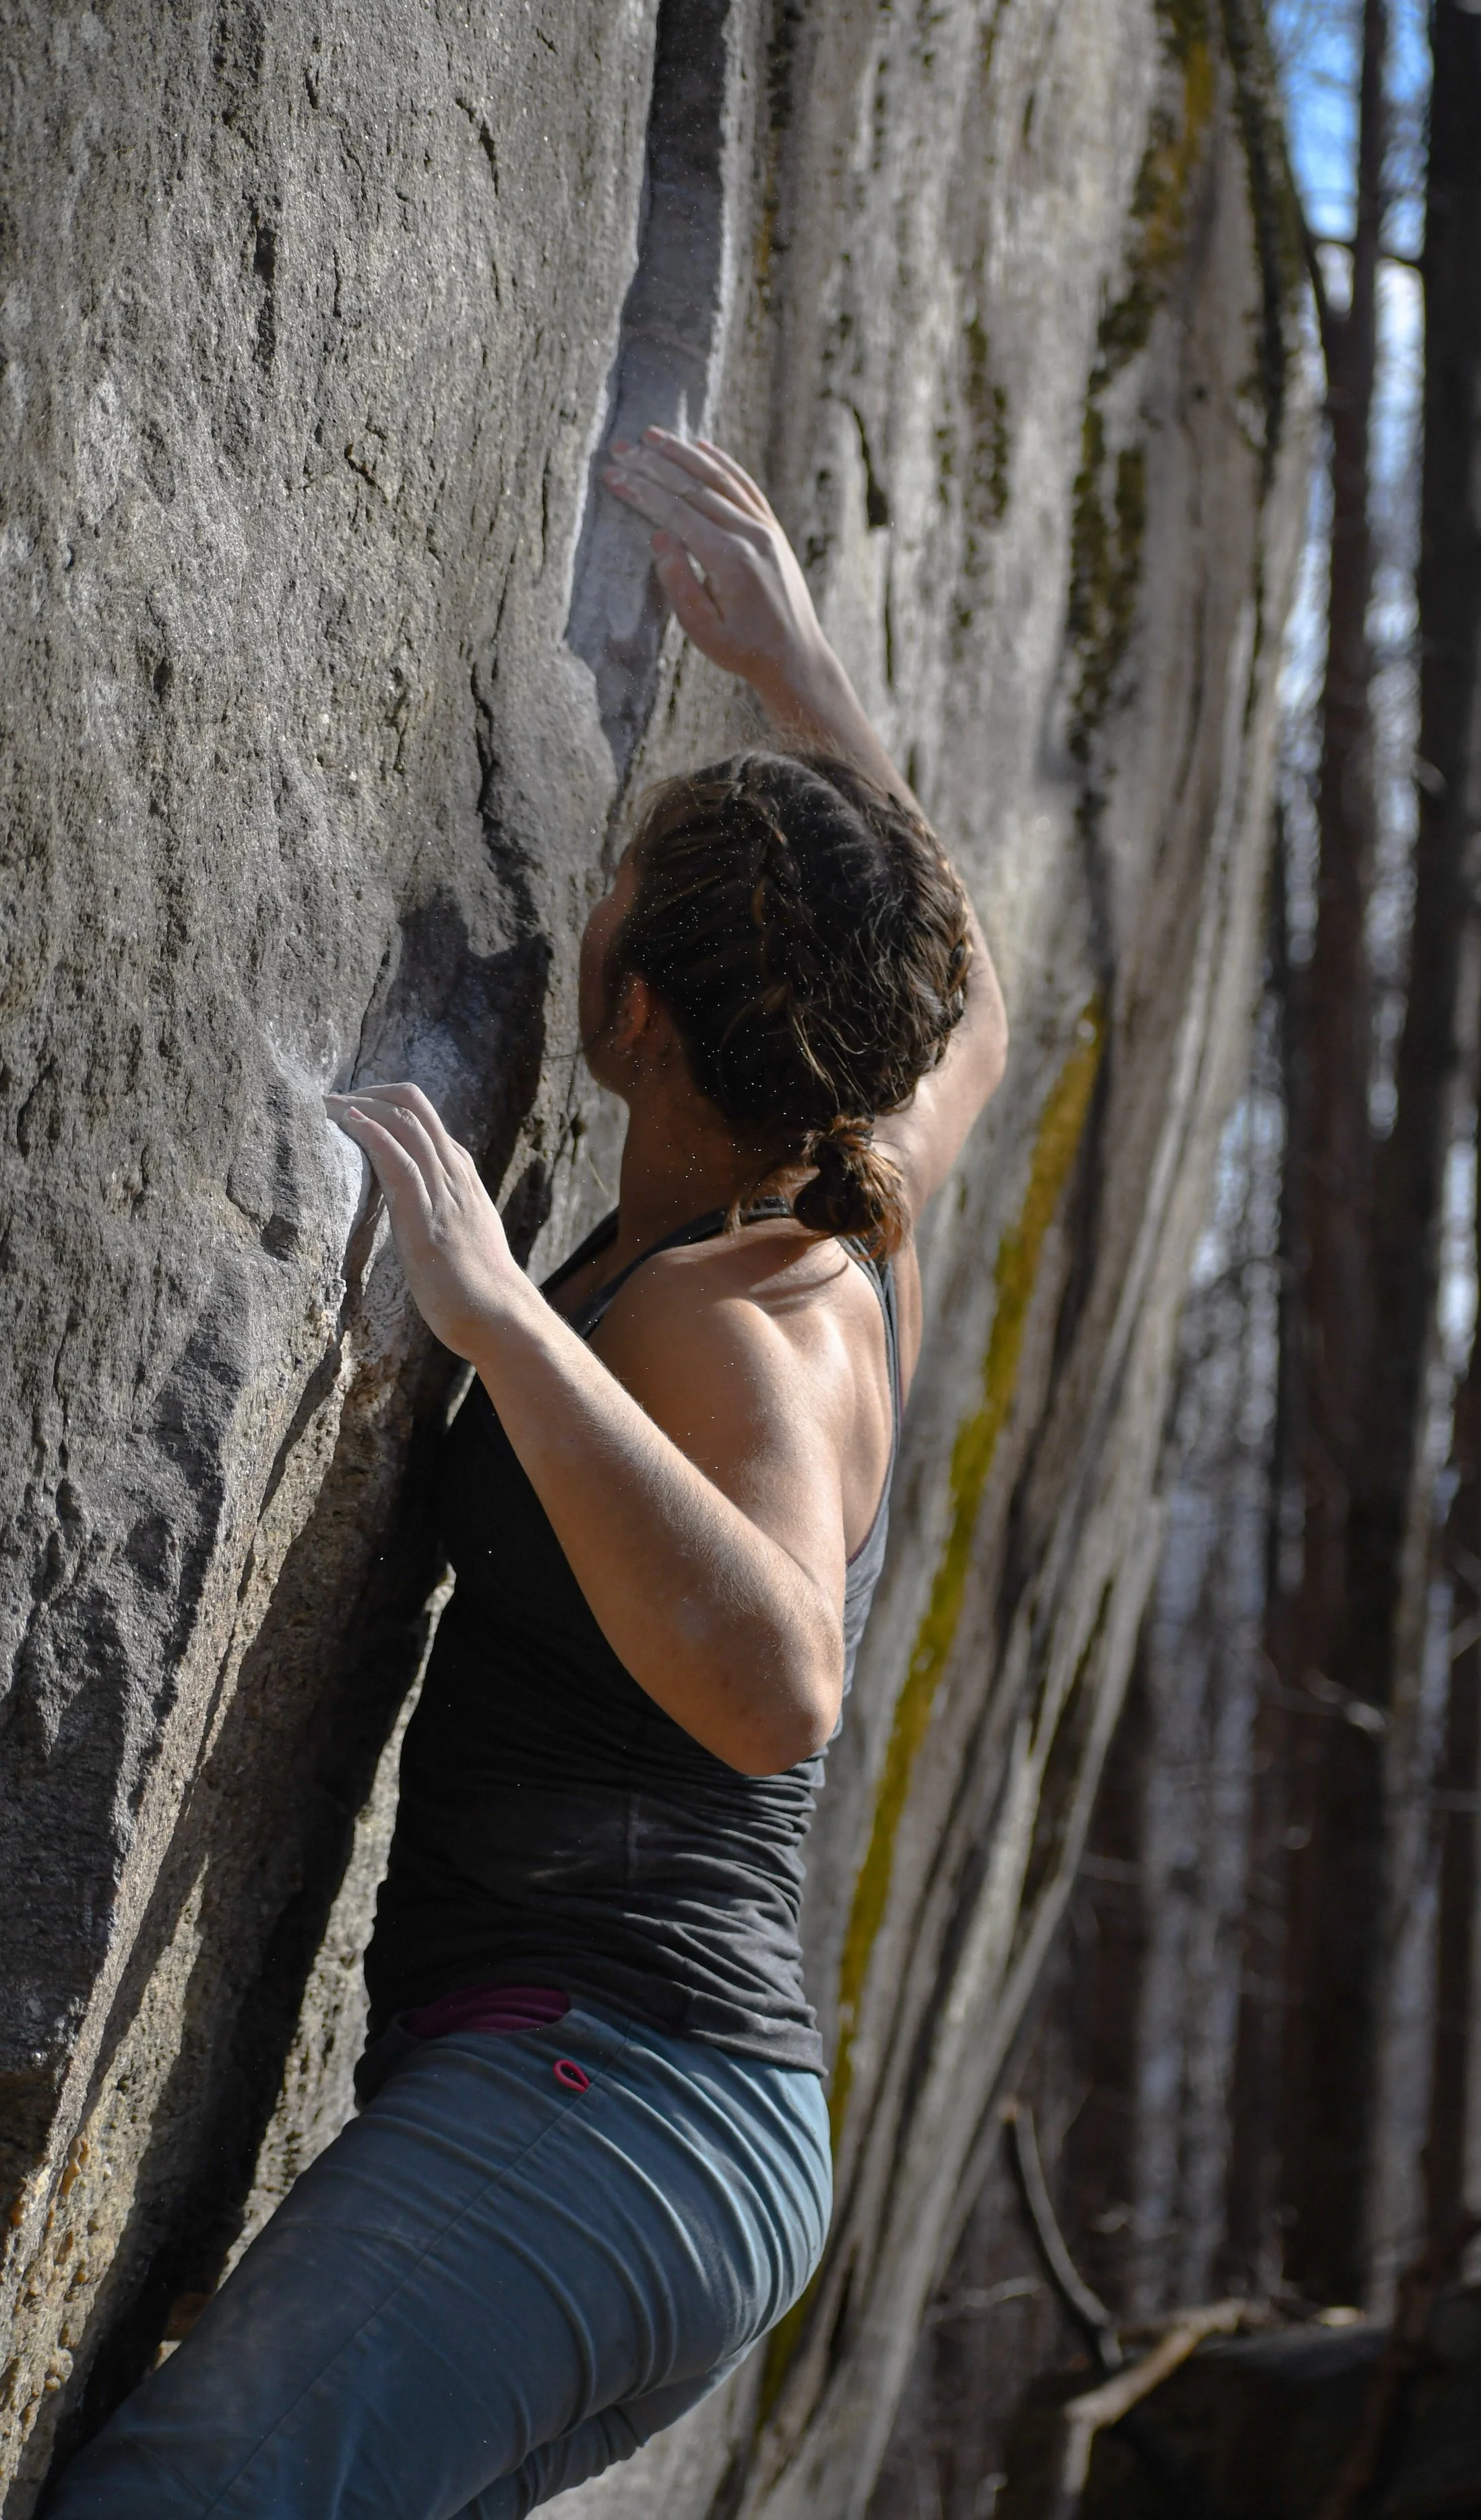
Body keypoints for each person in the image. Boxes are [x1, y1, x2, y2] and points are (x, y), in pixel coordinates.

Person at [49, 433, 1007, 2519]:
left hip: (609, 2101)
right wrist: (805, 680)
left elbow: (777, 1683)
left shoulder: (710, 1319)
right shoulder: (849, 1197)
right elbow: (975, 1005)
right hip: (672, 2141)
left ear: (631, 1006)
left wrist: (505, 1323)